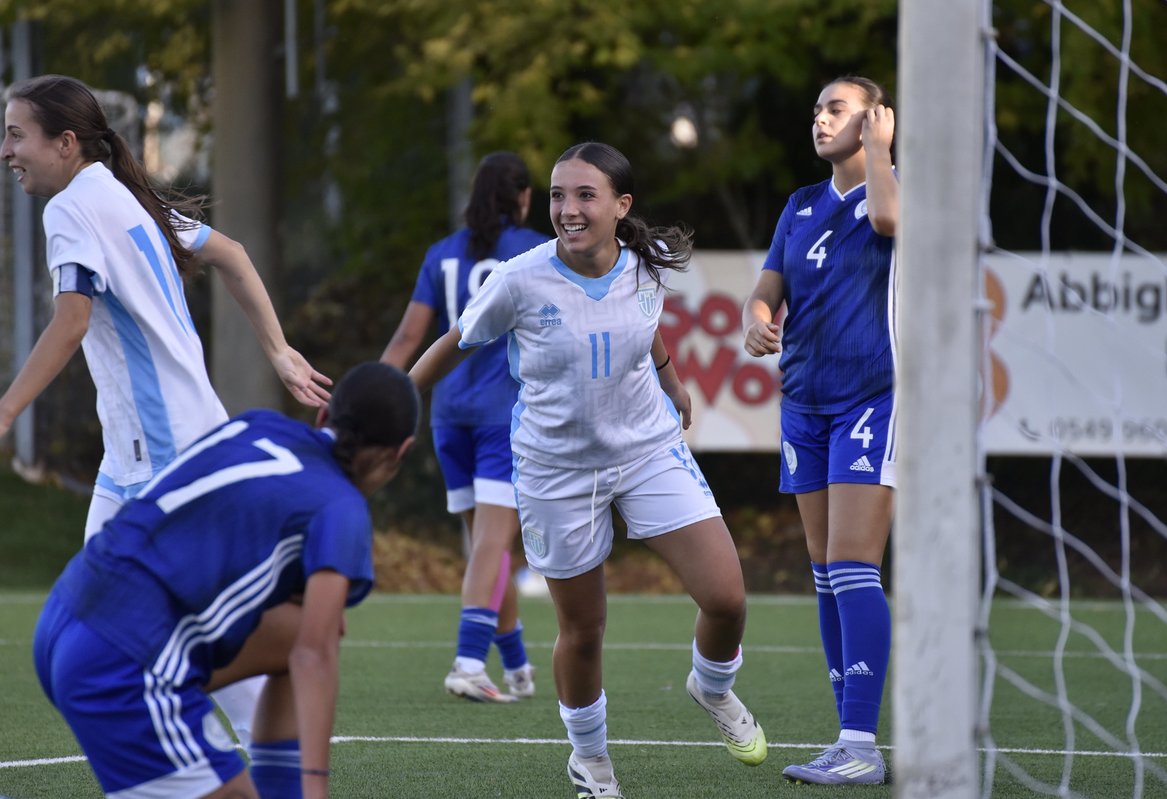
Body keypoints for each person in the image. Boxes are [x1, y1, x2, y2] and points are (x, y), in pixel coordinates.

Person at [409, 141, 767, 798]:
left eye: (584, 195)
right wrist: (398, 406)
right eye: (556, 195)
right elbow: (455, 341)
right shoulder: (518, 278)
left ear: (620, 206)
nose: (567, 209)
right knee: (583, 628)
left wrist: (673, 381)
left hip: (646, 451)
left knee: (727, 596)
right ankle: (591, 759)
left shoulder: (644, 267)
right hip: (555, 470)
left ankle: (711, 686)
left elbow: (646, 328)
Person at [0, 74, 330, 746]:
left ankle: (237, 773)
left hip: (166, 457)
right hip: (141, 456)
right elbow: (231, 253)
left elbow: (72, 320)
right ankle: (238, 767)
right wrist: (279, 350)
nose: (4, 151)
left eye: (15, 134)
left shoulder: (73, 210)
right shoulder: (122, 198)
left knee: (138, 641)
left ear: (65, 142)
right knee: (95, 631)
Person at [33, 361, 420, 799]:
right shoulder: (343, 508)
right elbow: (316, 655)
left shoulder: (258, 425)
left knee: (296, 629)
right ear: (399, 453)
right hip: (121, 665)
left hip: (63, 614)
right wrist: (317, 787)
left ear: (324, 416)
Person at [742, 75, 898, 786]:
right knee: (825, 569)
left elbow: (891, 223)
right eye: (816, 109)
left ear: (873, 119)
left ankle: (861, 741)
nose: (819, 118)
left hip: (872, 397)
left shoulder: (893, 190)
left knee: (853, 559)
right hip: (803, 402)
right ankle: (847, 737)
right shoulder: (800, 204)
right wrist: (756, 318)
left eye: (836, 108)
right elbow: (767, 287)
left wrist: (882, 150)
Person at [381, 151, 549, 703]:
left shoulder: (442, 253)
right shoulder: (531, 250)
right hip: (504, 415)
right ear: (523, 198)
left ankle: (518, 668)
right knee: (494, 545)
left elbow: (409, 338)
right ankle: (469, 663)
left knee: (486, 546)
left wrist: (375, 397)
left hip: (449, 414)